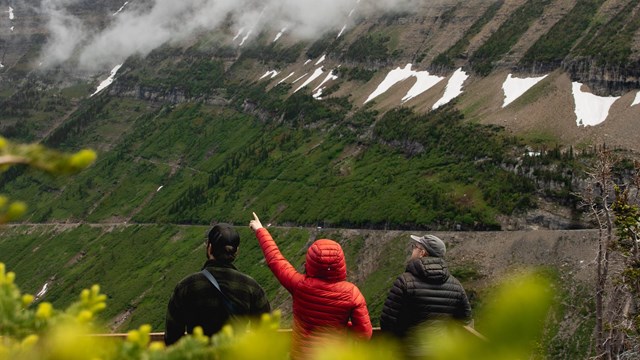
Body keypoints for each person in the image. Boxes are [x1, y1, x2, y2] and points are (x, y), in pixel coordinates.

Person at [249, 212, 372, 359]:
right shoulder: (352, 293)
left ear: (310, 262)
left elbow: (276, 260)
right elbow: (364, 334)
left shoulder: (299, 285)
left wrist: (260, 230)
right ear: (341, 263)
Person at [164, 223, 271, 345]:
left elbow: (172, 337)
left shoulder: (186, 286)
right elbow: (265, 333)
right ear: (236, 252)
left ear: (209, 248)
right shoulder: (251, 287)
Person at [380, 234, 472, 342]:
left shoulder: (404, 282)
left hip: (408, 351)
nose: (413, 250)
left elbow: (387, 322)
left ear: (422, 253)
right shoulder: (456, 285)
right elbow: (465, 319)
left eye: (415, 247)